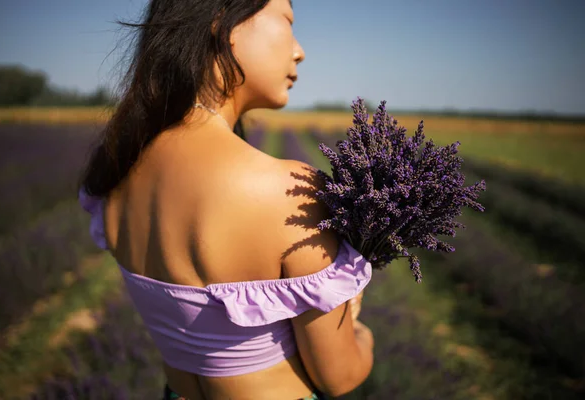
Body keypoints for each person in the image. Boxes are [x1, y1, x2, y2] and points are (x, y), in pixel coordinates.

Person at [78, 0, 374, 398]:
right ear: (224, 24)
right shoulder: (290, 190)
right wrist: (359, 331)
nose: (299, 50)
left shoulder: (118, 171)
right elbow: (339, 377)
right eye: (287, 20)